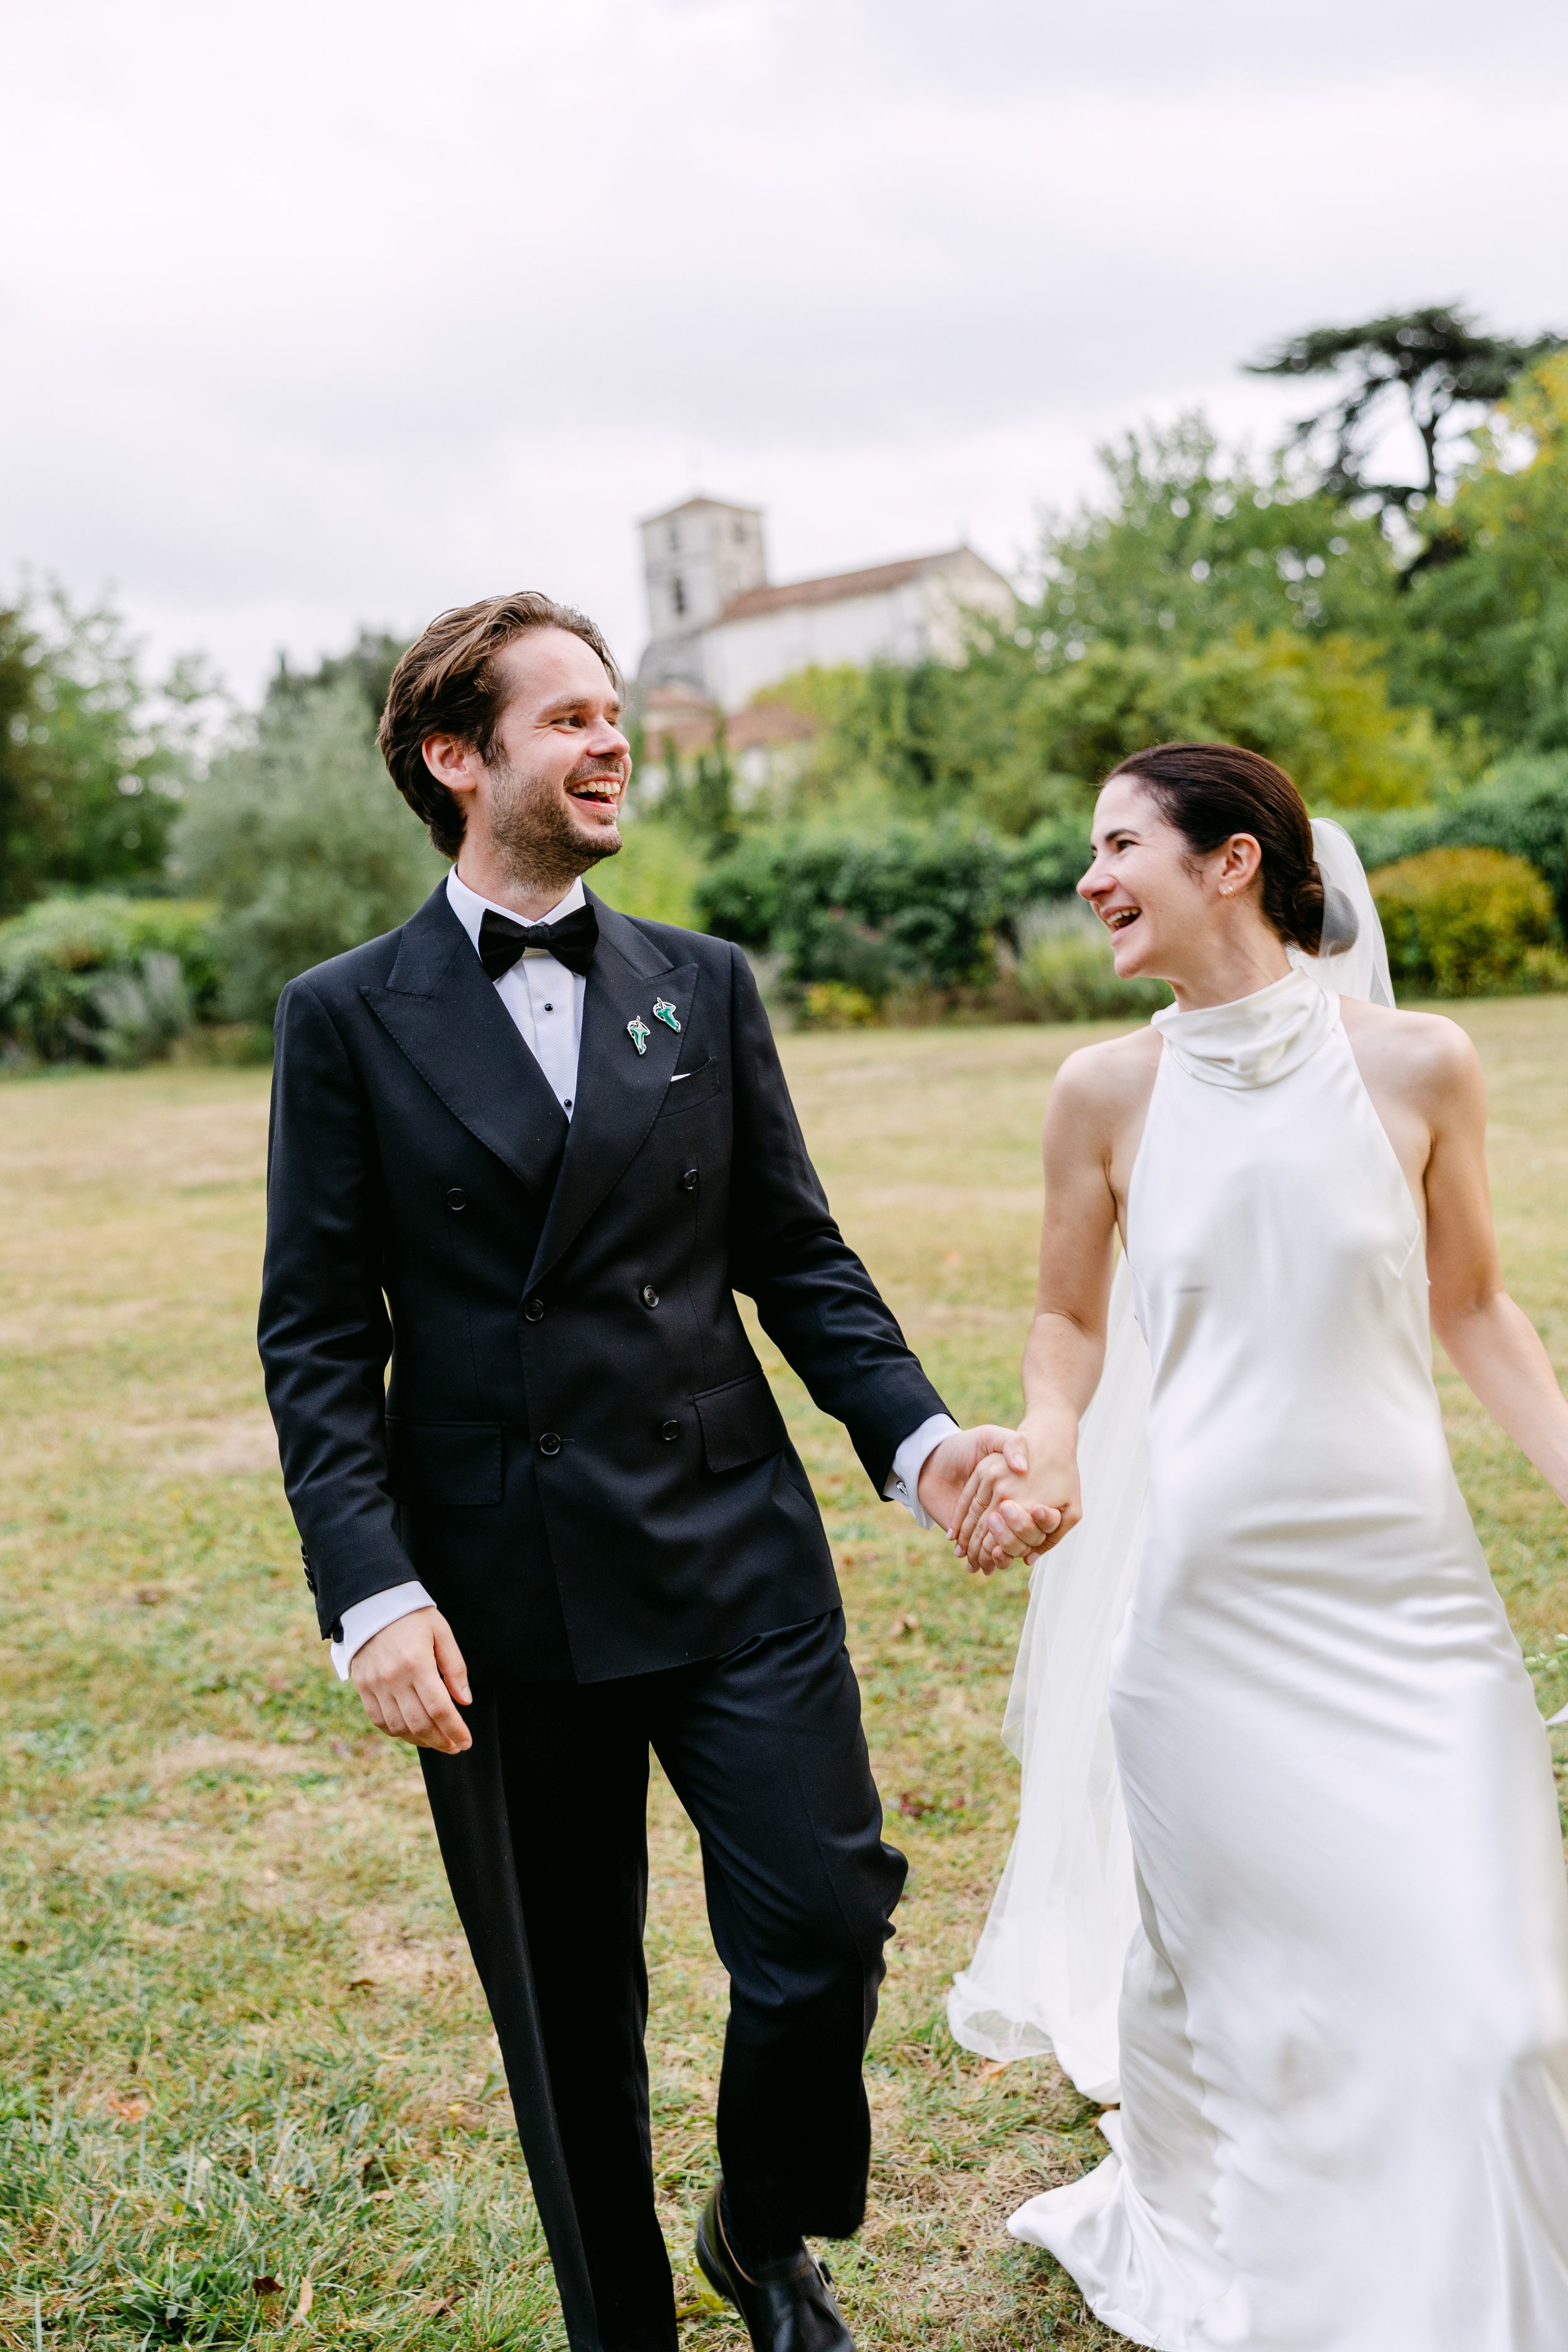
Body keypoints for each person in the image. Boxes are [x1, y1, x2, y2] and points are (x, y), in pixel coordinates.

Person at [257, 591, 1040, 2352]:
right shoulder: (347, 1016)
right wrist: (368, 1588)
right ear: (458, 759)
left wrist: (920, 1444)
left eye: (617, 714)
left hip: (729, 1547)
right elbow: (314, 1330)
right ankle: (621, 2323)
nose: (612, 742)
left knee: (827, 1914)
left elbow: (798, 1258)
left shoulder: (701, 981)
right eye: (569, 719)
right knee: (567, 2007)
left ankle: (761, 2228)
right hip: (494, 1581)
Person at [946, 743, 1568, 2350]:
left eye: (1116, 846)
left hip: (1408, 1607)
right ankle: (1279, 2246)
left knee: (1501, 2017)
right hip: (1202, 1623)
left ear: (1231, 861)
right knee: (1254, 1991)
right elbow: (1062, 1320)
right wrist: (1055, 1444)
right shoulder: (1101, 1091)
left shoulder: (1418, 1067)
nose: (1089, 881)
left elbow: (1474, 1307)